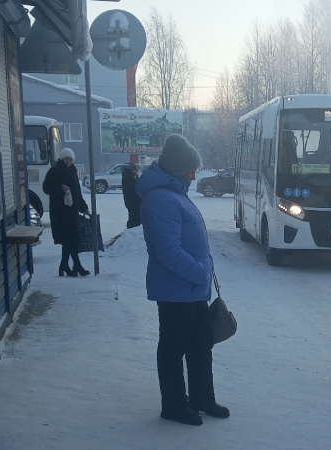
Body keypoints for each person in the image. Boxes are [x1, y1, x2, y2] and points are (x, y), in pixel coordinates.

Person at [137, 134, 229, 426]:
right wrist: (200, 271)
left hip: (192, 289)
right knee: (174, 349)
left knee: (201, 345)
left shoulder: (176, 194)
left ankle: (201, 398)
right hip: (176, 290)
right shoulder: (161, 199)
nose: (194, 174)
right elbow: (168, 251)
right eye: (190, 169)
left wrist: (202, 273)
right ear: (177, 169)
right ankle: (174, 406)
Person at [43, 148, 90, 276]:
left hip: (72, 212)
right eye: (66, 159)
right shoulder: (54, 171)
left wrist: (84, 207)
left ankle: (65, 265)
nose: (68, 161)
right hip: (60, 212)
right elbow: (46, 188)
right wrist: (60, 187)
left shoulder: (73, 171)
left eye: (70, 159)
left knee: (71, 240)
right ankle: (76, 265)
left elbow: (77, 193)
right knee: (70, 240)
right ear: (61, 159)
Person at [122, 162, 142, 228]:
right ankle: (131, 230)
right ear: (132, 170)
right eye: (135, 170)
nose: (136, 171)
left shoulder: (130, 176)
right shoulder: (129, 178)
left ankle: (132, 230)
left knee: (134, 217)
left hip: (132, 201)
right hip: (133, 202)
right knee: (134, 217)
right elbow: (134, 189)